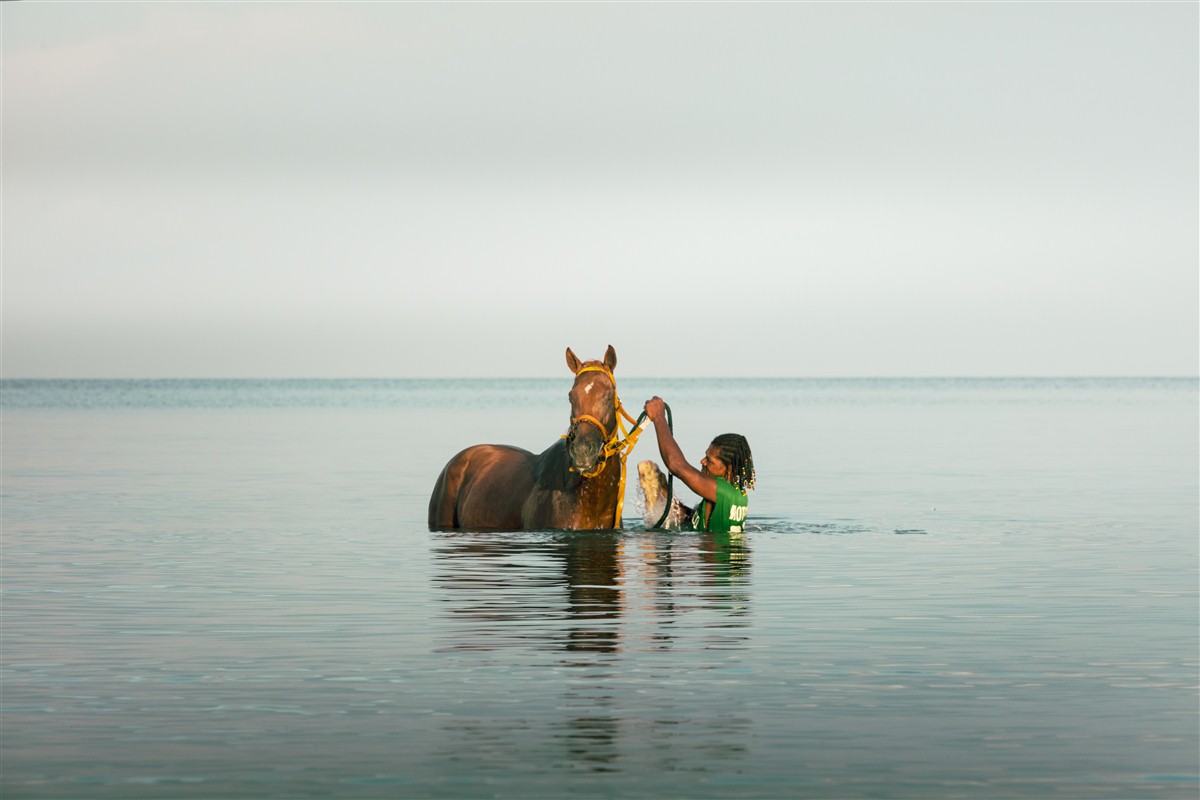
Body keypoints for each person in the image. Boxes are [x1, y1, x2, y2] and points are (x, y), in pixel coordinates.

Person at [642, 396, 755, 534]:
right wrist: (670, 499)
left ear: (729, 469)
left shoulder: (721, 490)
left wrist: (659, 418)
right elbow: (697, 520)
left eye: (709, 460)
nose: (703, 461)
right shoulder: (737, 494)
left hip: (708, 554)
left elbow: (676, 465)